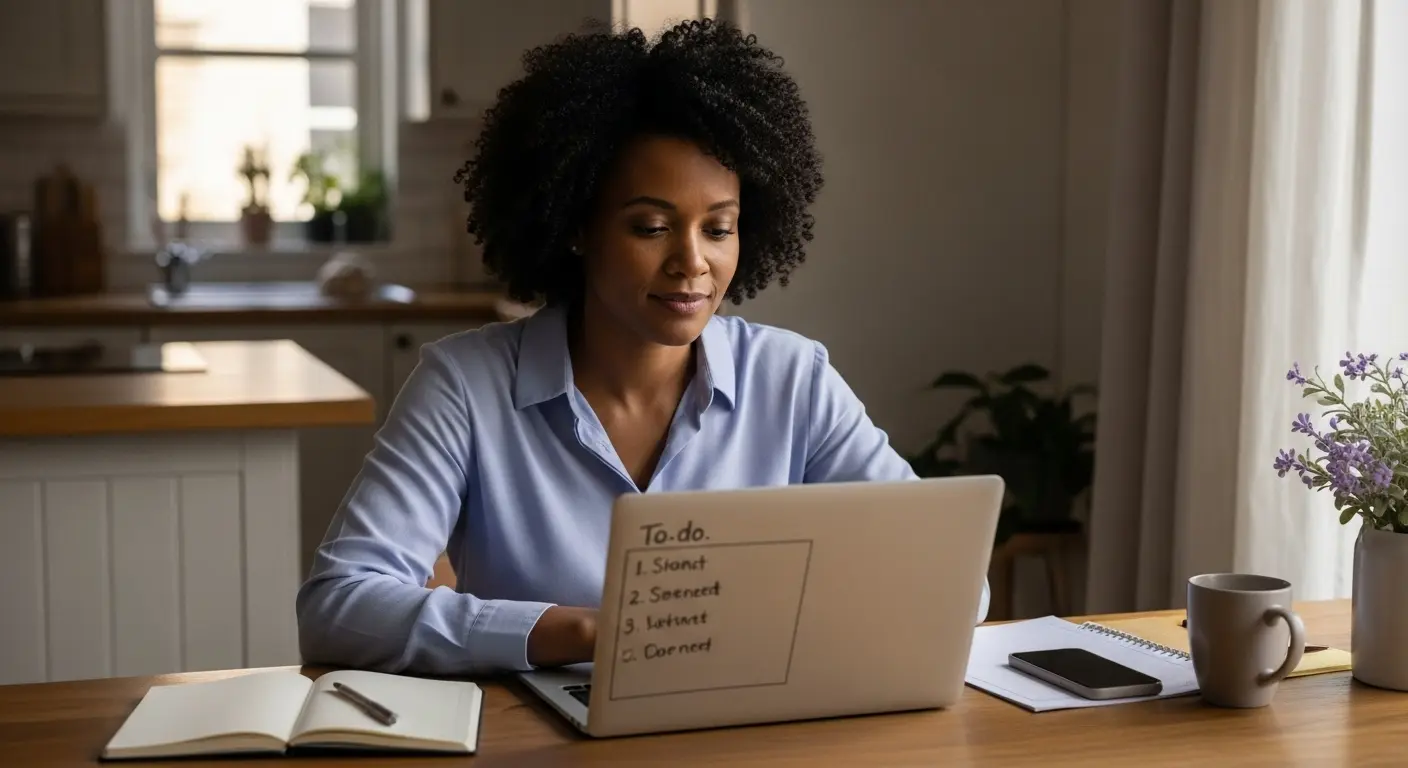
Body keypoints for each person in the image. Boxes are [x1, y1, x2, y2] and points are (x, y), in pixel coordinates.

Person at [296, 18, 989, 677]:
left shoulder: (794, 379)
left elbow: (952, 583)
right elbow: (338, 605)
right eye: (652, 226)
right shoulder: (465, 385)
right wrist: (575, 631)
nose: (692, 263)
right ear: (577, 228)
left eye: (718, 229)